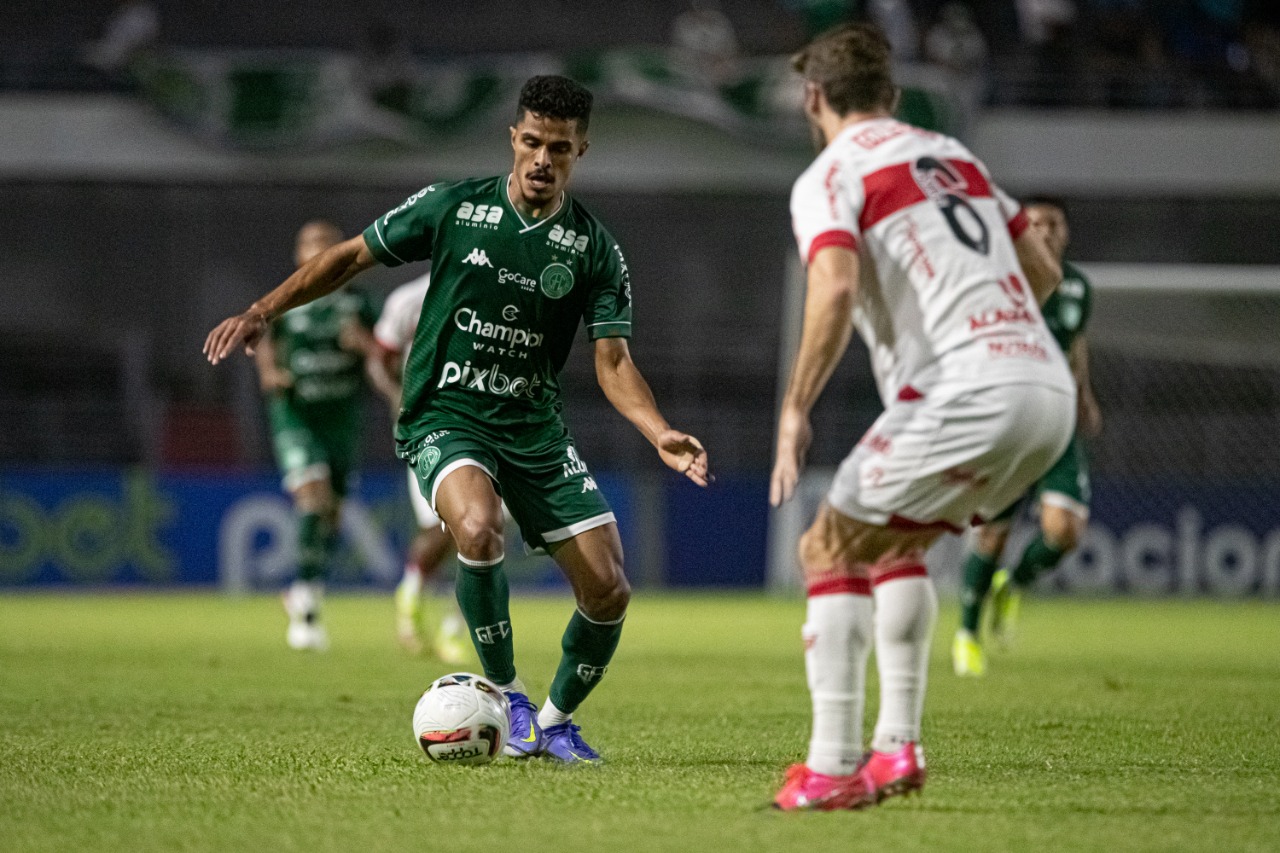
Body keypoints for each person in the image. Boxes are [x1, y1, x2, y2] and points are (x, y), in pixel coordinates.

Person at [205, 75, 710, 764]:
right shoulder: (453, 207)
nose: (541, 159)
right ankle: (507, 694)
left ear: (580, 150)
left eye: (558, 148)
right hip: (447, 414)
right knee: (475, 526)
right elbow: (351, 256)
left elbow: (614, 361)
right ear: (513, 137)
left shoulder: (594, 248)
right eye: (531, 142)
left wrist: (660, 431)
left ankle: (554, 723)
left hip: (534, 427)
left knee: (609, 586)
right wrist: (265, 309)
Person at [769, 24, 1075, 810]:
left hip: (969, 391)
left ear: (813, 99)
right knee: (895, 543)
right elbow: (1042, 271)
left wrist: (796, 407)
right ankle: (897, 748)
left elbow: (833, 289)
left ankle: (832, 767)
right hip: (1045, 389)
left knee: (826, 542)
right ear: (893, 97)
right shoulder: (954, 156)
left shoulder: (830, 173)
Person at [952, 196, 1101, 676]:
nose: (1042, 230)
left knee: (1065, 530)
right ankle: (967, 635)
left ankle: (1012, 584)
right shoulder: (1002, 279)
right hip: (1010, 421)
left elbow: (1075, 342)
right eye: (1032, 222)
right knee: (991, 533)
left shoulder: (1078, 285)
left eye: (1052, 222)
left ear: (1066, 231)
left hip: (1058, 421)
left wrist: (1084, 393)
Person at [252, 220, 379, 652]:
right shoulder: (289, 299)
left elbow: (393, 351)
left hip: (342, 420)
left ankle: (308, 588)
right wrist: (270, 372)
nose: (318, 251)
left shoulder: (359, 303)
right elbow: (263, 337)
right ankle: (306, 603)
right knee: (313, 495)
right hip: (296, 415)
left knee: (332, 514)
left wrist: (365, 345)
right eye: (310, 245)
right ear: (298, 256)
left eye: (327, 244)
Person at [366, 271, 468, 662]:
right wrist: (396, 397)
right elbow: (379, 359)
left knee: (479, 531)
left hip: (489, 424)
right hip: (430, 424)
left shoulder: (501, 283)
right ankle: (411, 591)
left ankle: (454, 629)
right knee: (440, 529)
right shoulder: (408, 300)